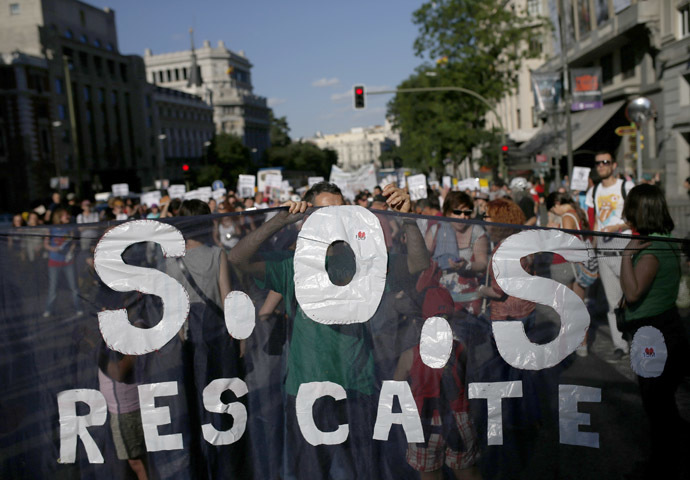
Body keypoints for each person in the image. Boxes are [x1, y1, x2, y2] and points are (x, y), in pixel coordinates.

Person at [228, 181, 429, 479]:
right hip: (307, 390)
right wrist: (279, 221)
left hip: (357, 385)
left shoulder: (367, 263)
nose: (332, 219)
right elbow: (237, 259)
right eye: (323, 212)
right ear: (307, 219)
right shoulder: (293, 265)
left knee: (364, 471)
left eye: (339, 211)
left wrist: (409, 221)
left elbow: (418, 264)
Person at [618, 184, 690, 478]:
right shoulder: (666, 240)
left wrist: (625, 256)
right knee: (663, 406)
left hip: (655, 334)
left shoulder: (650, 249)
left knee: (657, 408)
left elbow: (633, 293)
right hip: (666, 328)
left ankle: (661, 468)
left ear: (638, 211)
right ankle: (669, 460)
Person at [585, 150, 635, 360]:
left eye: (605, 162)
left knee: (633, 297)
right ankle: (620, 345)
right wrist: (592, 250)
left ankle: (641, 339)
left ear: (614, 165)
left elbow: (637, 218)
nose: (601, 165)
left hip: (624, 245)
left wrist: (618, 226)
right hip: (604, 250)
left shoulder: (626, 187)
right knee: (613, 302)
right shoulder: (594, 191)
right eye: (598, 163)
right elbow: (594, 222)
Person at [427, 191, 489, 316]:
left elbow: (483, 264)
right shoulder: (436, 230)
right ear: (448, 212)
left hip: (470, 301)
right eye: (457, 212)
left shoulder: (477, 232)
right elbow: (422, 259)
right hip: (441, 299)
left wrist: (467, 265)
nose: (463, 217)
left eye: (467, 213)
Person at [43, 207, 82, 317]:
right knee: (53, 288)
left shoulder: (69, 228)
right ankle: (49, 309)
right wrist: (53, 249)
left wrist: (71, 252)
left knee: (74, 287)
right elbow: (46, 244)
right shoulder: (51, 229)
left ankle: (78, 308)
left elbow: (73, 242)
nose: (68, 217)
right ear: (59, 217)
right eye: (65, 215)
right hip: (54, 262)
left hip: (67, 262)